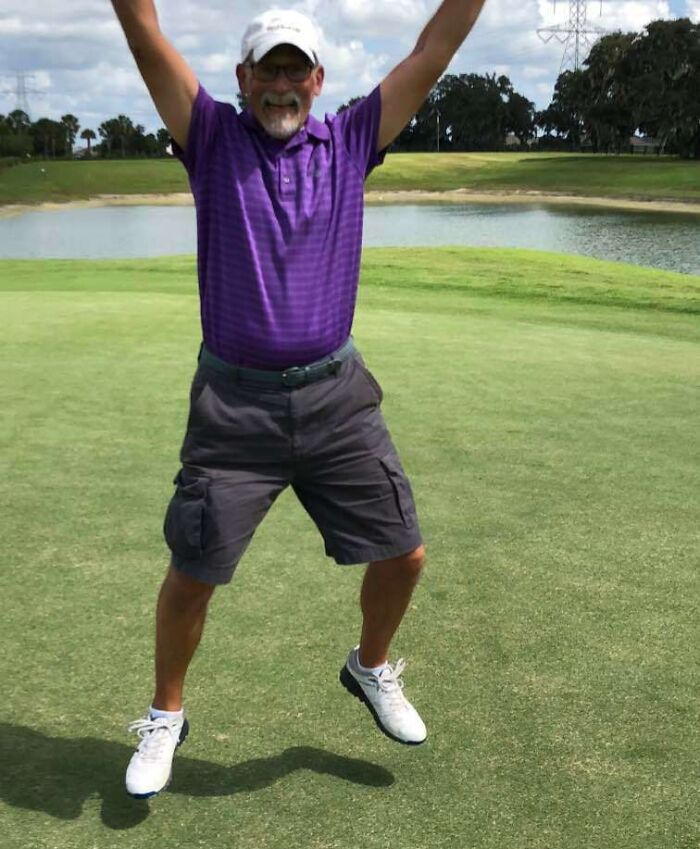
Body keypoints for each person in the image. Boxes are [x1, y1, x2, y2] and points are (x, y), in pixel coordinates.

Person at [111, 0, 487, 799]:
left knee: (405, 554)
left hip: (336, 399)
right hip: (233, 407)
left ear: (318, 81)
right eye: (268, 69)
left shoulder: (351, 140)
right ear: (243, 78)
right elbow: (145, 36)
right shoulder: (210, 139)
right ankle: (166, 714)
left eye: (295, 70)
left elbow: (433, 51)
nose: (281, 84)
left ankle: (370, 664)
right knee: (192, 572)